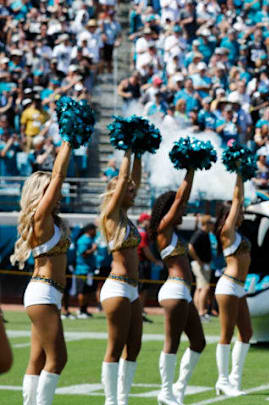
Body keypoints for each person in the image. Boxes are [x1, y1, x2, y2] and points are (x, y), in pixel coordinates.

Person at [11, 139, 74, 404]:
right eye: (51, 191)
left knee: (37, 360)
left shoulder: (52, 222)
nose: (57, 195)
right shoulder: (41, 218)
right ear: (41, 193)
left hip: (48, 295)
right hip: (43, 294)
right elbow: (59, 174)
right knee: (58, 359)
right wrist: (69, 140)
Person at [149, 169, 206, 405]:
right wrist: (191, 168)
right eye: (180, 209)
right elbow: (181, 197)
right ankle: (166, 392)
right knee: (171, 343)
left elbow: (182, 199)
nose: (184, 211)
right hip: (174, 290)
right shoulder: (163, 229)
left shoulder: (172, 233)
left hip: (183, 292)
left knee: (198, 342)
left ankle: (178, 389)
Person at [97, 150, 144, 405]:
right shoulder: (111, 216)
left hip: (132, 289)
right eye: (128, 190)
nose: (133, 193)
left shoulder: (126, 217)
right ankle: (110, 400)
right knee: (115, 347)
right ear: (116, 193)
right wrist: (127, 148)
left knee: (134, 345)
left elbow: (134, 178)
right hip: (116, 287)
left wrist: (140, 152)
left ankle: (123, 399)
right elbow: (126, 177)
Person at [213, 175, 252, 397]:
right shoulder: (227, 233)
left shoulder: (237, 234)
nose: (242, 213)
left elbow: (239, 202)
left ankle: (234, 380)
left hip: (239, 287)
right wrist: (239, 173)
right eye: (239, 211)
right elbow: (237, 199)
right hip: (228, 286)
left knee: (246, 332)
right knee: (226, 334)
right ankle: (222, 380)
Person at [189, 215, 214, 319]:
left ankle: (196, 312)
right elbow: (190, 247)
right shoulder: (200, 233)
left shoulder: (206, 234)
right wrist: (198, 261)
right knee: (205, 288)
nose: (213, 225)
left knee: (199, 289)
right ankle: (201, 312)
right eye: (211, 223)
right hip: (200, 265)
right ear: (206, 223)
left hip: (203, 264)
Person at [73, 223, 98, 319]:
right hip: (82, 270)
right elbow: (83, 254)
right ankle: (81, 310)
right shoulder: (83, 240)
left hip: (89, 270)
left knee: (88, 291)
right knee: (82, 291)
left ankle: (85, 310)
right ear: (90, 230)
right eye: (94, 229)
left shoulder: (91, 239)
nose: (95, 232)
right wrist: (93, 249)